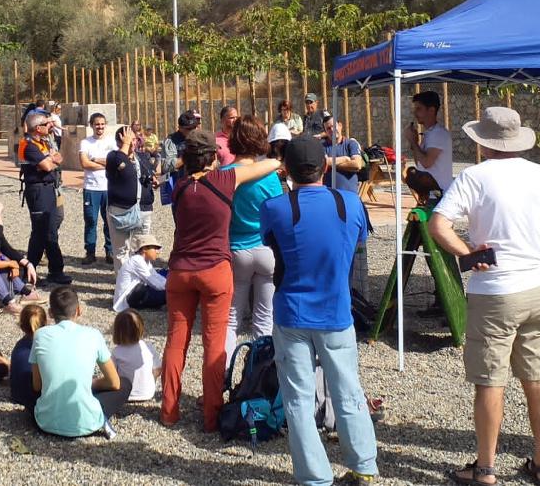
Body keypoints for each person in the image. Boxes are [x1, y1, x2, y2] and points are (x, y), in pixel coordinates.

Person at [428, 107, 540, 486]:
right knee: (538, 376)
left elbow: (438, 224)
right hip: (537, 287)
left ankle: (486, 468)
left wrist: (468, 254)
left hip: (495, 292)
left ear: (481, 141)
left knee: (491, 380)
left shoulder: (474, 177)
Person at [261, 135, 379, 486]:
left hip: (292, 312)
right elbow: (359, 241)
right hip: (337, 313)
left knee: (298, 398)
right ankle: (364, 466)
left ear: (287, 171)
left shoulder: (276, 207)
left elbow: (271, 242)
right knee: (348, 390)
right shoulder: (350, 204)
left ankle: (314, 477)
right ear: (326, 166)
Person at [161, 128, 280, 431]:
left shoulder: (180, 187)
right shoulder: (224, 180)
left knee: (176, 340)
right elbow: (268, 166)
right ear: (213, 157)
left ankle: (169, 411)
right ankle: (212, 417)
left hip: (180, 270)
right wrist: (273, 159)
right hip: (214, 268)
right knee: (215, 344)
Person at [31, 286, 131, 439]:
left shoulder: (40, 335)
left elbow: (37, 385)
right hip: (86, 423)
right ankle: (96, 412)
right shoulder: (93, 335)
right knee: (125, 383)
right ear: (79, 310)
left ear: (50, 313)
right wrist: (92, 383)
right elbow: (115, 383)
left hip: (46, 422)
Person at [224, 116, 284, 356]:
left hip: (236, 250)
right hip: (266, 250)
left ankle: (222, 378)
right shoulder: (269, 176)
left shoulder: (225, 175)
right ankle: (260, 374)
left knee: (230, 320)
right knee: (264, 318)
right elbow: (279, 213)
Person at [18, 111, 71, 287]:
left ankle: (55, 270)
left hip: (49, 189)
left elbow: (58, 158)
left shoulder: (42, 142)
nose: (51, 126)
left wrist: (51, 160)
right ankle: (28, 272)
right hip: (38, 191)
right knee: (40, 232)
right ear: (37, 128)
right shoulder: (29, 145)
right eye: (47, 124)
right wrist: (51, 160)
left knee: (50, 230)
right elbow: (48, 165)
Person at [0, 198, 39, 290]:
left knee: (16, 275)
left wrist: (28, 264)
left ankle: (23, 290)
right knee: (9, 286)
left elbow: (6, 248)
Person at [79, 112, 116, 264]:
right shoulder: (85, 143)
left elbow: (114, 162)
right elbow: (84, 164)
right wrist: (104, 163)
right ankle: (90, 252)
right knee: (91, 220)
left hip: (109, 187)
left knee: (109, 221)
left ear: (105, 125)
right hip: (91, 188)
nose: (99, 127)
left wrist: (94, 160)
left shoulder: (112, 142)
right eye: (96, 124)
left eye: (102, 124)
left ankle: (110, 251)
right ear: (91, 125)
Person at [104, 126, 143, 270]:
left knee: (136, 248)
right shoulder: (114, 156)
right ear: (121, 139)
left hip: (137, 208)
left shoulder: (137, 158)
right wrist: (126, 144)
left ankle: (135, 280)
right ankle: (123, 284)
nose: (133, 142)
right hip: (119, 210)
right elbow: (120, 160)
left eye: (134, 139)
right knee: (121, 250)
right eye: (130, 139)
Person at [405, 90, 453, 202]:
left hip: (438, 196)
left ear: (431, 110)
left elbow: (427, 163)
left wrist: (413, 142)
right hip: (429, 195)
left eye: (419, 109)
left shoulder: (438, 134)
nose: (415, 113)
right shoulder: (430, 133)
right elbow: (420, 163)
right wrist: (415, 143)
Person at [111, 309, 160, 403]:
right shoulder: (148, 347)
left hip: (124, 394)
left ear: (117, 331)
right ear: (141, 328)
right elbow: (158, 370)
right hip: (148, 393)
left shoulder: (117, 352)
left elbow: (112, 375)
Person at [112, 233, 167, 312]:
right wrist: (172, 286)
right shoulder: (137, 260)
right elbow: (154, 283)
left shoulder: (145, 261)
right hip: (127, 300)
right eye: (155, 249)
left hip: (135, 293)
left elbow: (155, 276)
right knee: (168, 292)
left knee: (165, 275)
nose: (158, 252)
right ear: (144, 249)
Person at [10, 304, 47, 409]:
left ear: (21, 326)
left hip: (17, 394)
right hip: (36, 398)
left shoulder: (19, 346)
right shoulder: (44, 347)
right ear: (45, 324)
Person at [323, 118, 364, 193]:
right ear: (326, 132)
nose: (332, 130)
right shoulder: (322, 146)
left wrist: (331, 164)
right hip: (329, 194)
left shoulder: (351, 144)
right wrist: (345, 159)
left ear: (340, 126)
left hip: (349, 194)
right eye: (328, 128)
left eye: (334, 126)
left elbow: (357, 165)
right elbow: (322, 163)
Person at [160, 109, 201, 178]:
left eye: (194, 127)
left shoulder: (200, 139)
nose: (192, 131)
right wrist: (187, 156)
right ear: (180, 128)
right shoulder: (171, 141)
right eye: (189, 129)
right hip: (177, 182)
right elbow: (166, 167)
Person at [135, 134, 160, 233]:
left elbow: (152, 173)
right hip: (134, 205)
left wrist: (154, 179)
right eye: (138, 146)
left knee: (145, 235)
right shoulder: (127, 158)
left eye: (142, 146)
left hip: (147, 203)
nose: (140, 148)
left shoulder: (145, 157)